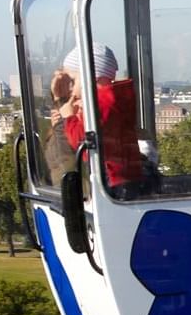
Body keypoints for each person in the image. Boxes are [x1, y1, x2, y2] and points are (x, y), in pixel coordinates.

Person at [56, 44, 153, 199]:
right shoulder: (112, 100)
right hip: (120, 176)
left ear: (92, 76)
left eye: (73, 81)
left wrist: (68, 118)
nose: (72, 90)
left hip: (113, 179)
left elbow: (80, 139)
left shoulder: (103, 102)